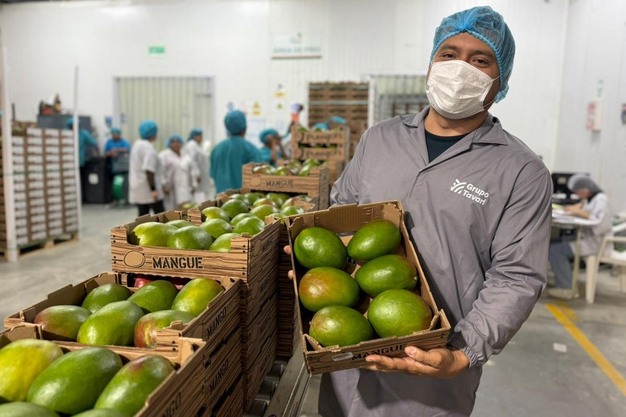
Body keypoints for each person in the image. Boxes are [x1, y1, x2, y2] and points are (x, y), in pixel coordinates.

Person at [314, 6, 552, 417]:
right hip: (347, 355)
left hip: (430, 373)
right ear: (430, 64)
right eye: (449, 54)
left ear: (501, 80)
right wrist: (313, 268)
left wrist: (464, 352)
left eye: (480, 60)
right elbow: (342, 214)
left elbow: (517, 276)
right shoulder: (379, 140)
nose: (460, 69)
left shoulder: (520, 171)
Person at [547, 175, 612, 300]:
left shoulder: (601, 200)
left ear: (586, 190)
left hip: (595, 243)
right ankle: (562, 280)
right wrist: (575, 209)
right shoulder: (591, 199)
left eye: (578, 192)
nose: (576, 194)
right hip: (587, 238)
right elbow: (585, 208)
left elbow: (599, 221)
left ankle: (566, 288)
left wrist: (578, 212)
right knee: (552, 243)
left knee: (555, 250)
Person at [209, 110, 261, 193]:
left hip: (220, 199)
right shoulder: (251, 150)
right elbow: (259, 178)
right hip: (244, 200)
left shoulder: (216, 150)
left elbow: (213, 175)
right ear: (245, 128)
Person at [128, 119, 165, 216]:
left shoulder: (137, 144)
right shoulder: (148, 148)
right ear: (153, 133)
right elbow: (149, 170)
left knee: (143, 217)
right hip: (148, 189)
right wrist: (153, 190)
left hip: (138, 187)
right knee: (162, 217)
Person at [159, 134, 197, 211]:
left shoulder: (186, 155)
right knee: (172, 211)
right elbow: (160, 172)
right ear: (169, 143)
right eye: (173, 142)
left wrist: (194, 184)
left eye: (178, 142)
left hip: (185, 188)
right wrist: (164, 185)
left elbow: (192, 171)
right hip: (171, 189)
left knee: (186, 209)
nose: (176, 144)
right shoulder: (163, 155)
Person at [66, 117, 99, 203]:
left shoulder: (83, 134)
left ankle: (80, 198)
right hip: (68, 162)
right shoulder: (66, 134)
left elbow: (93, 142)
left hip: (79, 163)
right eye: (73, 125)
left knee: (80, 181)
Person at [182, 128, 212, 203]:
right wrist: (196, 174)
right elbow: (192, 160)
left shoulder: (197, 145)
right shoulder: (191, 145)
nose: (201, 137)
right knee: (198, 196)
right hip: (197, 176)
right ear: (194, 136)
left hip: (202, 175)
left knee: (202, 195)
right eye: (200, 135)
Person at [103, 127, 131, 205]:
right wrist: (110, 154)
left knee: (125, 184)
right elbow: (105, 153)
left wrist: (116, 150)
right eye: (114, 134)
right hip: (113, 167)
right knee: (114, 184)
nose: (115, 136)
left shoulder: (124, 142)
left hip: (124, 167)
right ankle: (115, 199)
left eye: (116, 134)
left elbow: (127, 149)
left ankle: (126, 199)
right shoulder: (109, 142)